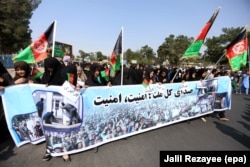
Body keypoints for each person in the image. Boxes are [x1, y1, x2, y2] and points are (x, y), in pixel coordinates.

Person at [41, 57, 71, 162]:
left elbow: (69, 87)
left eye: (52, 67)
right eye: (48, 68)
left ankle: (65, 151)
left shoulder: (63, 73)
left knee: (63, 129)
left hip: (62, 106)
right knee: (49, 131)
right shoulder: (45, 75)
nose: (50, 70)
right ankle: (49, 150)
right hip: (49, 108)